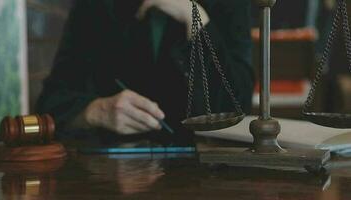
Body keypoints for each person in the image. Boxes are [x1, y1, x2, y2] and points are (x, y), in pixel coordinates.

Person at [36, 0, 254, 143]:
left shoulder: (230, 5)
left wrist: (195, 18)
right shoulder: (95, 6)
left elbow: (236, 107)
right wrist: (96, 111)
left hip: (207, 176)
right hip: (115, 177)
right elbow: (51, 104)